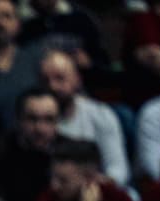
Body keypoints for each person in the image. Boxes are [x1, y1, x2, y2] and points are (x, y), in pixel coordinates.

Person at [39, 49, 129, 186]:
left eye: (60, 78)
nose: (52, 86)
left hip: (96, 188)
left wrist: (95, 186)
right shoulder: (34, 120)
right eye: (46, 80)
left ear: (77, 80)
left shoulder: (101, 115)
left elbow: (118, 169)